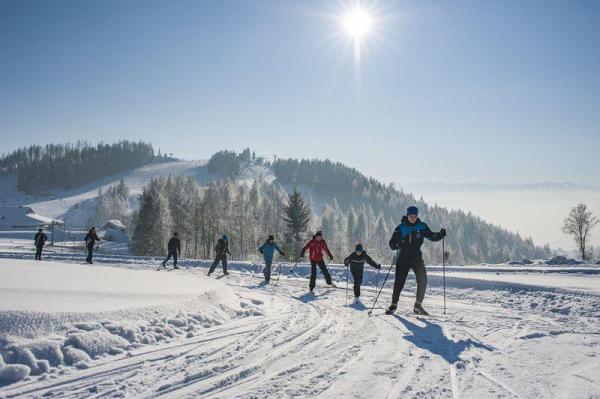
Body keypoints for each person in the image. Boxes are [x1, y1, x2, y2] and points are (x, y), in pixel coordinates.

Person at [386, 206, 446, 315]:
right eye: (410, 216)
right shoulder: (400, 228)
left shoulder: (421, 226)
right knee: (399, 283)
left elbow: (432, 236)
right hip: (403, 259)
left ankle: (418, 305)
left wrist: (440, 235)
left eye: (414, 216)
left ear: (417, 215)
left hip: (416, 258)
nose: (412, 218)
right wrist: (398, 244)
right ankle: (393, 305)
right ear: (407, 215)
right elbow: (391, 244)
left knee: (423, 280)